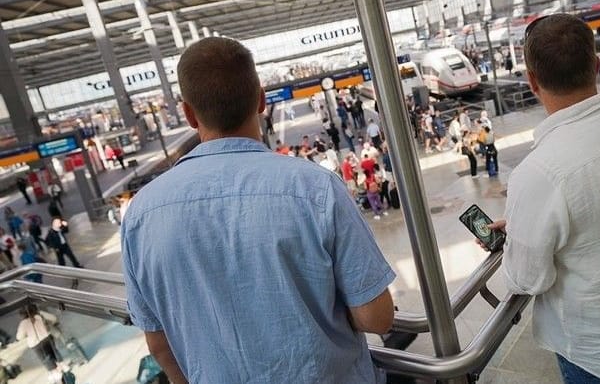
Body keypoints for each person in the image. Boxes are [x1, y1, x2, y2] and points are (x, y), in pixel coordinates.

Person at [121, 38, 395, 384]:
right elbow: (377, 317)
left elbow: (159, 342)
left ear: (189, 114)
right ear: (262, 100)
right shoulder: (316, 189)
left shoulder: (141, 214)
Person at [483, 14, 600, 383]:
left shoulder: (538, 173)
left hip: (598, 356)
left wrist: (522, 238)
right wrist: (532, 225)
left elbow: (526, 280)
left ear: (532, 81)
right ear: (596, 65)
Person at [16, 305, 60, 372]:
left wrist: (27, 334)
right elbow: (54, 318)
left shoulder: (23, 323)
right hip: (47, 338)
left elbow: (19, 337)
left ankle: (57, 375)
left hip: (36, 344)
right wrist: (49, 324)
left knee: (47, 361)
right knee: (55, 355)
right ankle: (62, 368)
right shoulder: (39, 315)